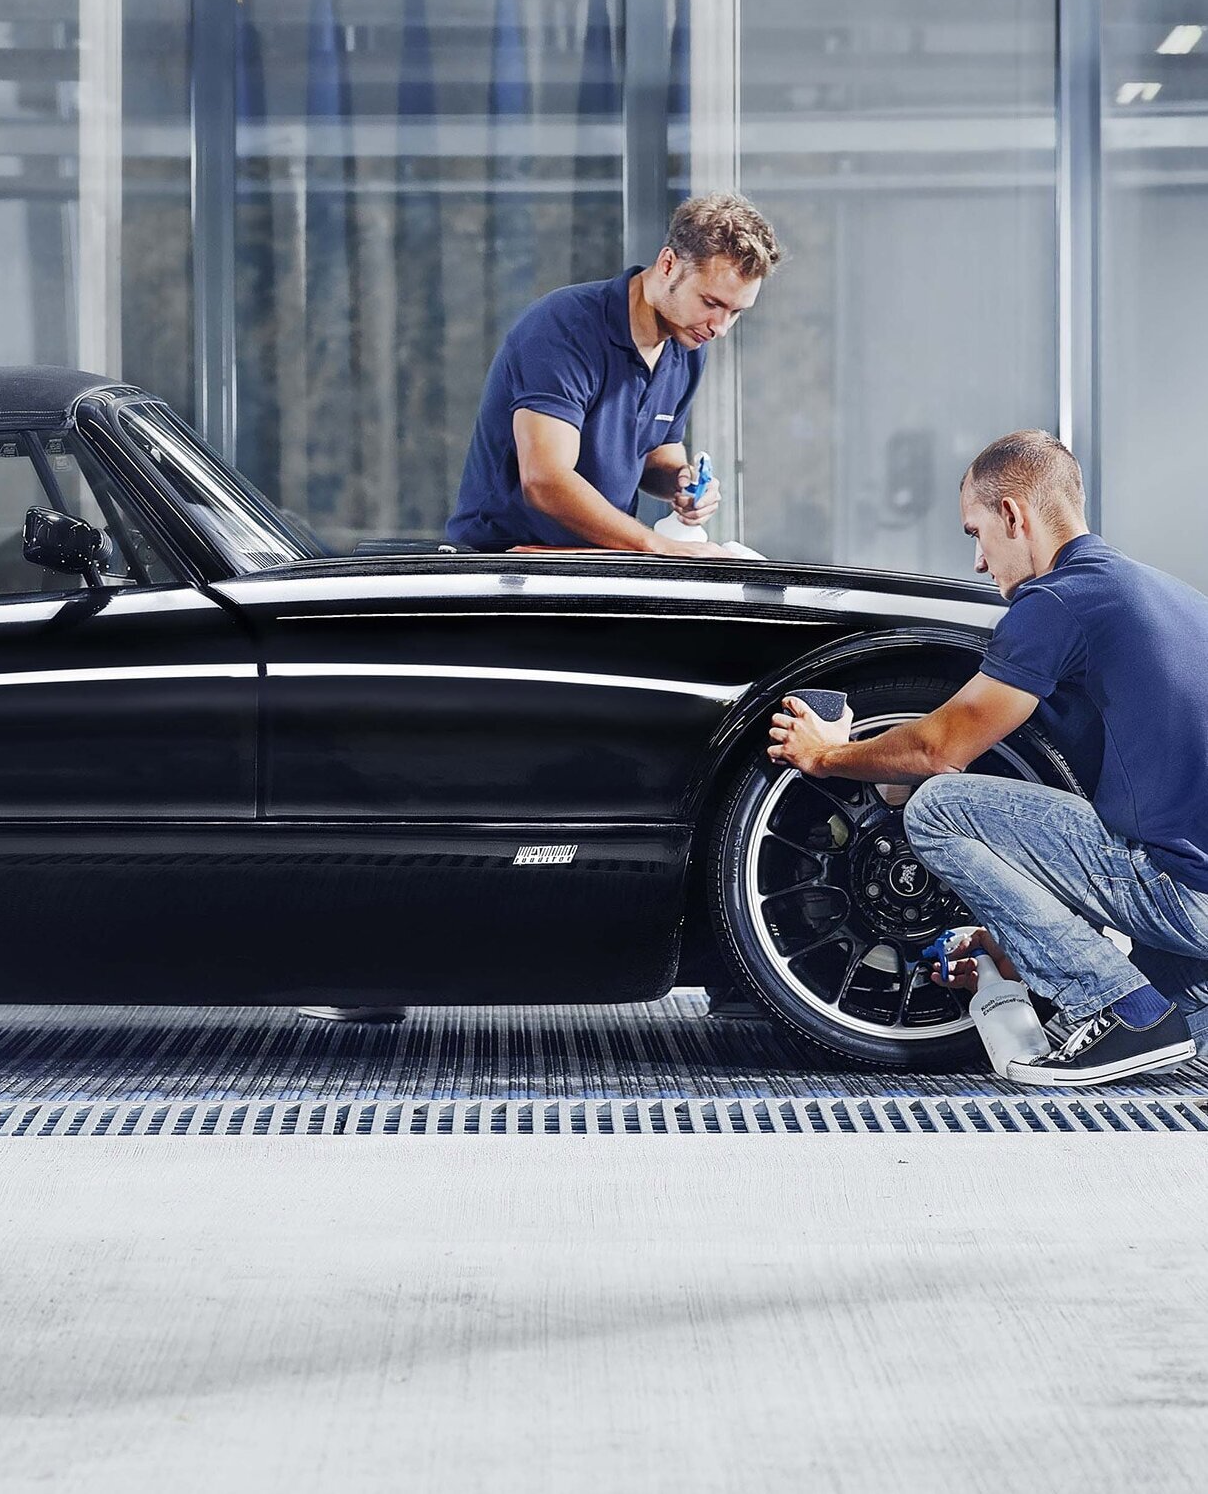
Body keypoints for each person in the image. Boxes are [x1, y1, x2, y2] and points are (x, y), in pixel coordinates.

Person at [770, 429, 1208, 1088]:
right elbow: (1117, 823)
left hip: (1186, 900)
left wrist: (829, 755)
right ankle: (1158, 1011)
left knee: (941, 809)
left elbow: (937, 750)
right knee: (1184, 1042)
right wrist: (1014, 939)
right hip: (1192, 903)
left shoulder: (1058, 599)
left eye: (974, 532)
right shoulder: (1170, 598)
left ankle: (1123, 1010)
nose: (978, 560)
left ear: (1013, 516)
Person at [445, 192, 781, 556]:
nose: (720, 328)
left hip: (601, 564)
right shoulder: (564, 329)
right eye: (711, 303)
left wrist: (680, 482)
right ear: (668, 264)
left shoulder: (687, 346)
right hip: (504, 570)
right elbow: (544, 480)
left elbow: (656, 450)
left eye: (735, 312)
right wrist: (658, 547)